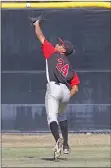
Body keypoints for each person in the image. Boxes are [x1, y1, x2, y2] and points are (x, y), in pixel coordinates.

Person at [30, 15, 80, 159]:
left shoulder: (52, 52)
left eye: (61, 44)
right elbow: (75, 87)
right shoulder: (70, 67)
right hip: (66, 91)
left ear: (63, 50)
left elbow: (39, 35)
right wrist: (67, 97)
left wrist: (36, 23)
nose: (58, 44)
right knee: (62, 115)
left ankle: (58, 139)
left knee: (52, 117)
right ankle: (66, 145)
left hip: (54, 88)